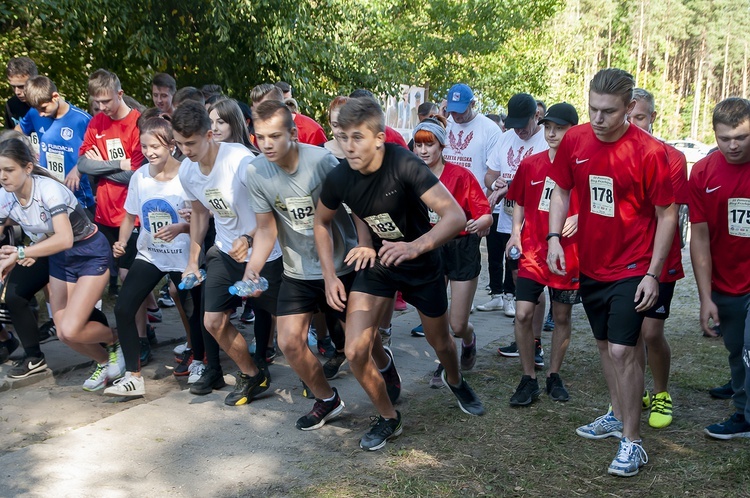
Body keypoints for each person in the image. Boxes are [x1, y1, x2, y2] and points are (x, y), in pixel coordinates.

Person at [314, 97, 485, 452]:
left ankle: (455, 379)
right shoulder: (339, 176)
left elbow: (453, 216)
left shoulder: (404, 163)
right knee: (355, 349)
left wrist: (413, 247)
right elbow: (322, 221)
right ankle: (389, 417)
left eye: (357, 137)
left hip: (421, 266)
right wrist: (330, 275)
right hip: (379, 265)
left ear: (379, 137)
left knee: (441, 342)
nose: (348, 146)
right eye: (342, 137)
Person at [547, 68, 677, 477]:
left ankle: (632, 442)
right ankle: (619, 415)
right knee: (605, 346)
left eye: (609, 112)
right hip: (592, 263)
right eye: (593, 109)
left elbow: (667, 212)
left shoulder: (649, 152)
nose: (599, 119)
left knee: (624, 349)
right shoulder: (576, 139)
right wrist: (554, 237)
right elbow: (562, 189)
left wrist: (654, 273)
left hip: (634, 266)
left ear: (630, 108)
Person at [244, 100, 360, 429]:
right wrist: (253, 267)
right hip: (297, 269)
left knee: (361, 346)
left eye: (275, 136)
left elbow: (358, 204)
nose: (266, 144)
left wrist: (364, 246)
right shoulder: (255, 171)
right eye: (260, 136)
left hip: (340, 266)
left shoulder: (322, 161)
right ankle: (327, 400)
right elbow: (267, 229)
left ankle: (384, 368)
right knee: (289, 341)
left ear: (293, 134)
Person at [173, 101, 283, 405]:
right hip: (223, 251)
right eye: (180, 144)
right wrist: (192, 261)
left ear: (210, 135)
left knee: (289, 325)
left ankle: (319, 368)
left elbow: (271, 210)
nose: (186, 150)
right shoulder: (187, 170)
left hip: (265, 252)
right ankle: (253, 375)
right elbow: (199, 214)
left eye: (191, 143)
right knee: (213, 321)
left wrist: (248, 238)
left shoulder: (240, 161)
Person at [0, 137, 124, 391]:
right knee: (64, 332)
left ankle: (117, 340)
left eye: (8, 170)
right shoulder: (5, 196)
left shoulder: (48, 190)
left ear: (27, 167)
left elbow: (65, 238)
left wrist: (22, 252)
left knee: (71, 327)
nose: (2, 176)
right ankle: (103, 360)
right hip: (60, 258)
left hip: (89, 253)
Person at [104, 116, 199, 396]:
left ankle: (200, 359)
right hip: (150, 254)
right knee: (123, 309)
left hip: (183, 257)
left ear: (171, 144)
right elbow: (130, 214)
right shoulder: (140, 175)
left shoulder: (188, 175)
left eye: (155, 146)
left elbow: (203, 219)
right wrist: (122, 242)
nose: (149, 153)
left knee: (193, 312)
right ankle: (133, 376)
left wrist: (186, 223)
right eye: (144, 147)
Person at [76, 69, 156, 364]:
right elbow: (83, 164)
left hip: (130, 215)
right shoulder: (97, 122)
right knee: (97, 277)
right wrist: (115, 163)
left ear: (120, 94)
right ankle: (123, 334)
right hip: (103, 214)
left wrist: (104, 165)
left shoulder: (138, 122)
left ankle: (142, 338)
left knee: (127, 278)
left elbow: (136, 172)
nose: (101, 108)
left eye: (106, 101)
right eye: (96, 102)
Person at [504, 102, 580, 406]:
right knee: (523, 313)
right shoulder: (531, 164)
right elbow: (518, 200)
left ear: (573, 131)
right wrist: (514, 233)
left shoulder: (583, 166)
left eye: (559, 128)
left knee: (561, 315)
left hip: (567, 255)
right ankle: (527, 378)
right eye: (548, 127)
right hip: (533, 253)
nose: (552, 133)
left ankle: (553, 375)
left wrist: (581, 217)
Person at [411, 116, 492, 387]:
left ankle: (468, 341)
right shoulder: (409, 177)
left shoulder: (461, 176)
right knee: (436, 318)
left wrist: (481, 221)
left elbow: (485, 214)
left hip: (460, 247)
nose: (423, 151)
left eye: (429, 145)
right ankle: (446, 363)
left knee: (458, 324)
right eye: (418, 145)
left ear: (442, 146)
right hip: (430, 247)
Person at [689, 97, 750, 439]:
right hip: (726, 281)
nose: (732, 145)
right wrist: (705, 295)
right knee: (737, 348)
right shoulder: (702, 172)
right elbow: (698, 236)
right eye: (724, 137)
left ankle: (744, 415)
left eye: (741, 136)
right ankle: (742, 401)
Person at [628, 88, 689, 428]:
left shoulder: (671, 157)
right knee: (629, 333)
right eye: (629, 116)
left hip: (658, 261)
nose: (633, 123)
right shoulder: (613, 153)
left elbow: (671, 213)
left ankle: (661, 391)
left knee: (651, 332)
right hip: (623, 260)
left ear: (653, 118)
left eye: (640, 117)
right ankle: (634, 389)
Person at [485, 93, 549, 366]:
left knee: (534, 279)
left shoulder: (548, 137)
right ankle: (522, 337)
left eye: (523, 124)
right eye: (514, 125)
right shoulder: (505, 138)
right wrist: (497, 182)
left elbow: (550, 181)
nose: (519, 130)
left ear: (537, 116)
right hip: (508, 218)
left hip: (538, 220)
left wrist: (511, 186)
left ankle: (535, 341)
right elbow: (490, 173)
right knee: (517, 274)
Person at [440, 84, 502, 314]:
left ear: (473, 104)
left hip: (471, 207)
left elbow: (493, 171)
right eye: (452, 109)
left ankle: (462, 310)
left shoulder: (489, 129)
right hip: (442, 203)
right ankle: (437, 312)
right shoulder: (445, 125)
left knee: (465, 261)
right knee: (440, 261)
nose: (456, 115)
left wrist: (484, 211)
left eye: (461, 110)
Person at [19, 76, 95, 212]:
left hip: (77, 196)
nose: (40, 114)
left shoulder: (82, 120)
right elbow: (16, 134)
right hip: (46, 193)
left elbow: (96, 152)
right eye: (36, 109)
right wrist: (28, 153)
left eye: (43, 108)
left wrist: (78, 169)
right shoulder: (34, 114)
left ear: (55, 97)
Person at [250, 84, 327, 146]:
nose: (260, 117)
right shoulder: (259, 133)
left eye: (264, 111)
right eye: (256, 112)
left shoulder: (311, 130)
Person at [5, 57, 38, 131]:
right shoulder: (11, 105)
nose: (17, 92)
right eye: (13, 86)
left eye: (22, 86)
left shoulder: (51, 104)